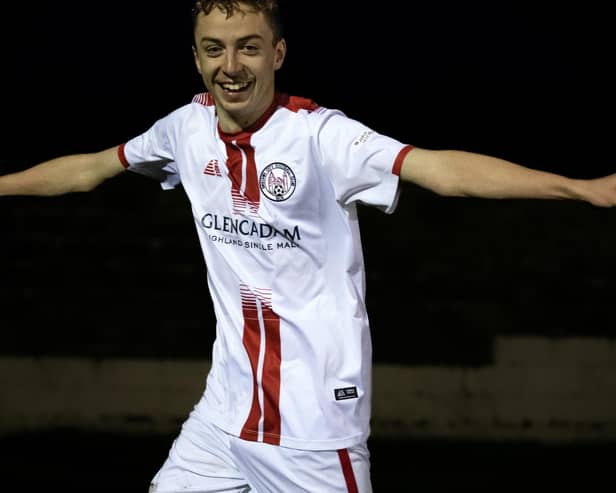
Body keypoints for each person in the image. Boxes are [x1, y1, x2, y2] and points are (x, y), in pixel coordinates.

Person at [1, 1, 615, 491]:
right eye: (215, 49)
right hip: (224, 416)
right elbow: (87, 169)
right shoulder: (184, 129)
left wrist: (581, 190)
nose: (231, 65)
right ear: (195, 58)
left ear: (278, 53)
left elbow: (440, 170)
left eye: (248, 47)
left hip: (314, 427)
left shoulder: (323, 138)